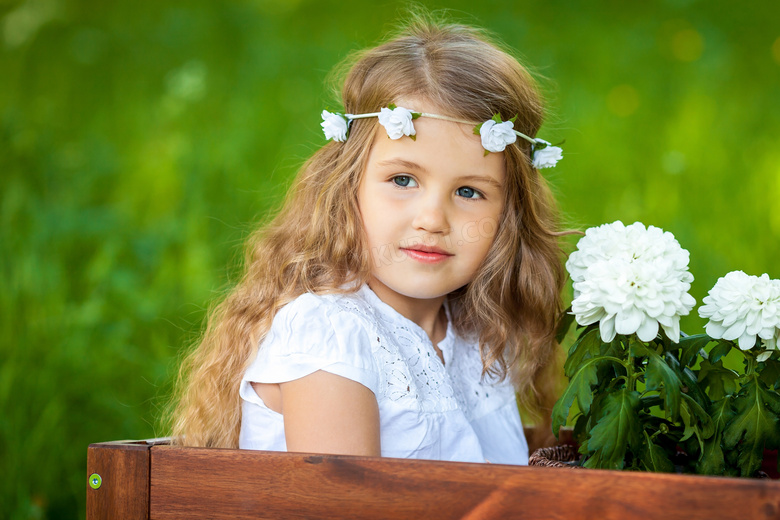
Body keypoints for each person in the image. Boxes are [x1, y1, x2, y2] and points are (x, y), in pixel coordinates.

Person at [167, 15, 567, 465]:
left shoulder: (481, 334)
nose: (433, 219)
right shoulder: (332, 334)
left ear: (509, 215)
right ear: (347, 185)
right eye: (402, 179)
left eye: (469, 191)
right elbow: (350, 505)